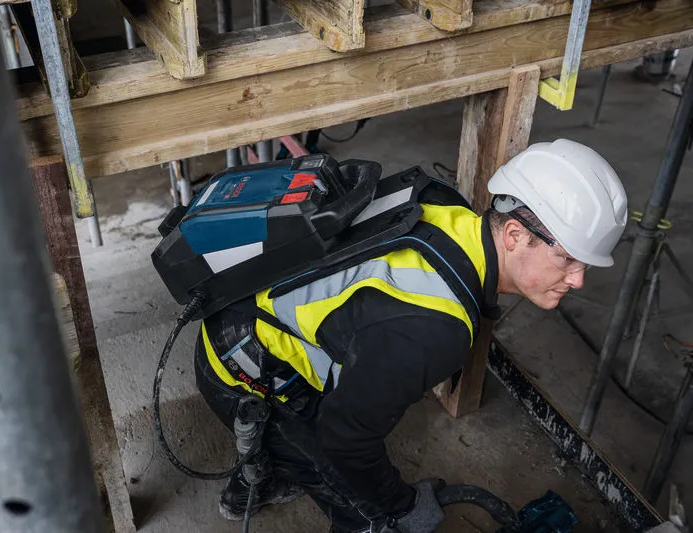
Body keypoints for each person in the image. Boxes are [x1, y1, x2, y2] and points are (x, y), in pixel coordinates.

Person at [193, 139, 628, 532]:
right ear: (515, 235)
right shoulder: (435, 329)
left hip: (242, 316)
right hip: (242, 367)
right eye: (569, 260)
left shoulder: (448, 205)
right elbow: (344, 440)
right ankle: (257, 480)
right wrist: (398, 505)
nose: (579, 280)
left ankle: (254, 480)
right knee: (362, 510)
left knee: (302, 443)